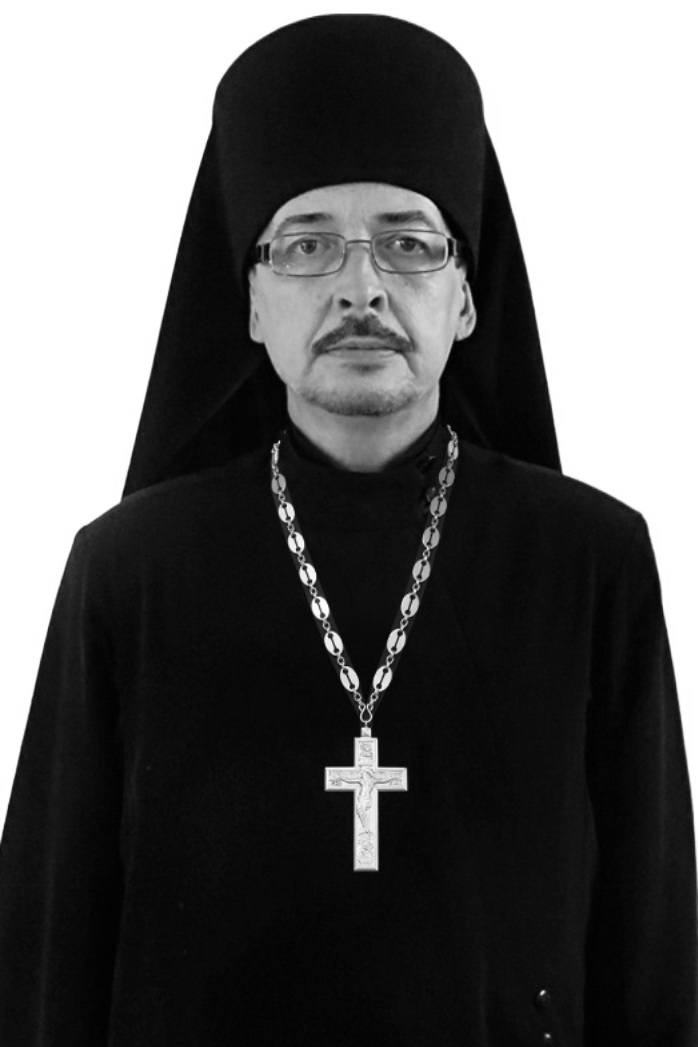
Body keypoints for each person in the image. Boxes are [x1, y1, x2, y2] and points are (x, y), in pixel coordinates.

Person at [0, 13, 696, 1046]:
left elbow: (654, 957)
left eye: (408, 245)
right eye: (308, 245)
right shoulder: (126, 572)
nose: (360, 288)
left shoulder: (591, 563)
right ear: (248, 300)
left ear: (466, 297)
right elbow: (45, 961)